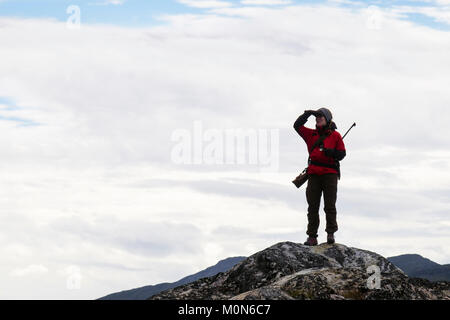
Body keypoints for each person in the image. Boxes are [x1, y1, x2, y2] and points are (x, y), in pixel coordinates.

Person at [293, 108, 346, 246]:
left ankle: (330, 233)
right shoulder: (311, 134)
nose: (317, 119)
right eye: (316, 117)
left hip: (330, 174)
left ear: (328, 119)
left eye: (320, 117)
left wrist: (331, 153)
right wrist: (306, 114)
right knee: (312, 206)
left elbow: (342, 154)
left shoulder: (336, 136)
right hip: (314, 174)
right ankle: (312, 236)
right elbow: (297, 126)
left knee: (330, 205)